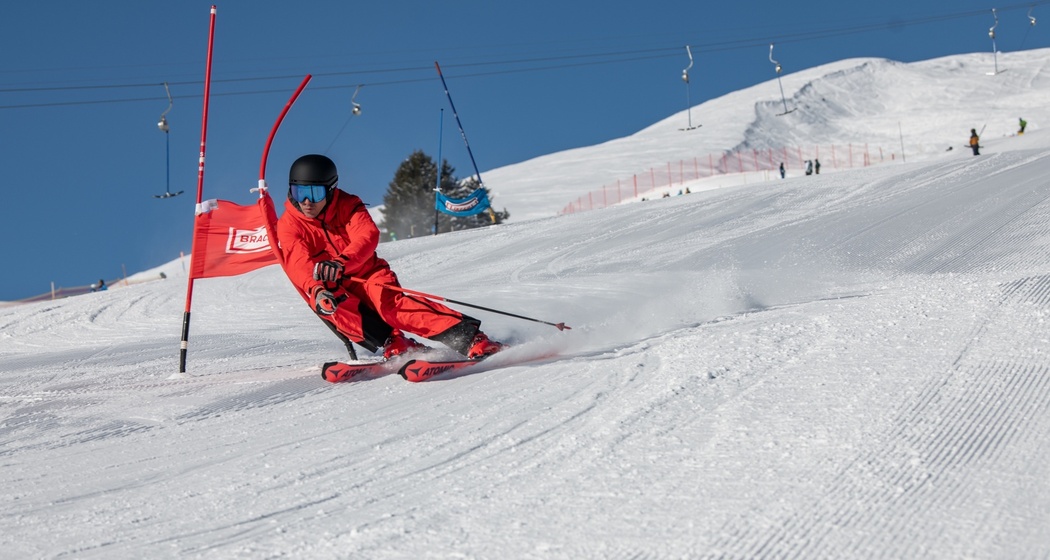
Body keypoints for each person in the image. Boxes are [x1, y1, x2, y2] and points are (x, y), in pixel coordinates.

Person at [276, 154, 504, 360]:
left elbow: (367, 235)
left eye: (314, 194)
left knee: (391, 307)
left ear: (331, 189)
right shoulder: (289, 224)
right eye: (300, 193)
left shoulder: (348, 205)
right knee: (330, 304)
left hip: (367, 273)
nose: (307, 202)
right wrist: (315, 288)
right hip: (332, 283)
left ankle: (471, 338)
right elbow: (297, 261)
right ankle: (393, 341)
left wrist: (342, 262)